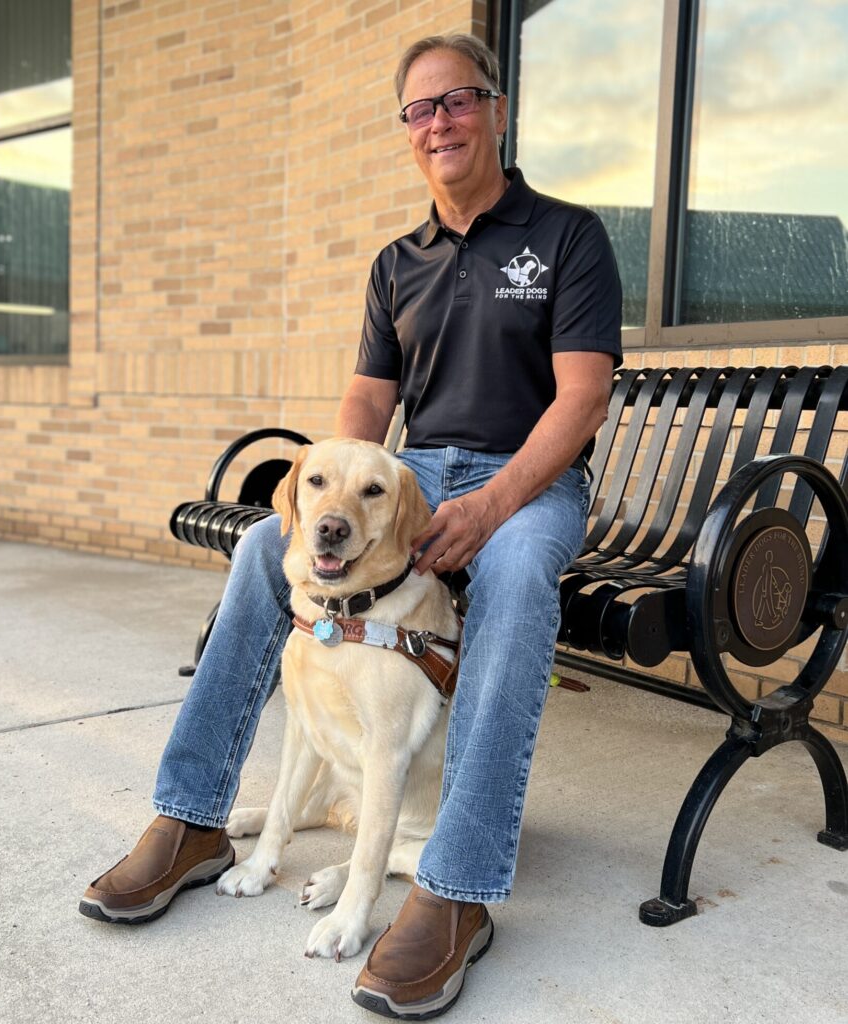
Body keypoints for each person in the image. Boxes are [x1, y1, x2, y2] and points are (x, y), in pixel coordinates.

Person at [81, 32, 621, 1018]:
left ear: (495, 111)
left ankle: (455, 889)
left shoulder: (565, 236)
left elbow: (580, 399)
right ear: (407, 133)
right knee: (258, 546)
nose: (438, 123)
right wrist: (328, 505)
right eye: (419, 110)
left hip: (523, 484)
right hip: (409, 478)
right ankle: (192, 816)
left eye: (456, 101)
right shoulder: (395, 263)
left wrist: (491, 507)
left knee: (510, 579)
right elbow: (365, 413)